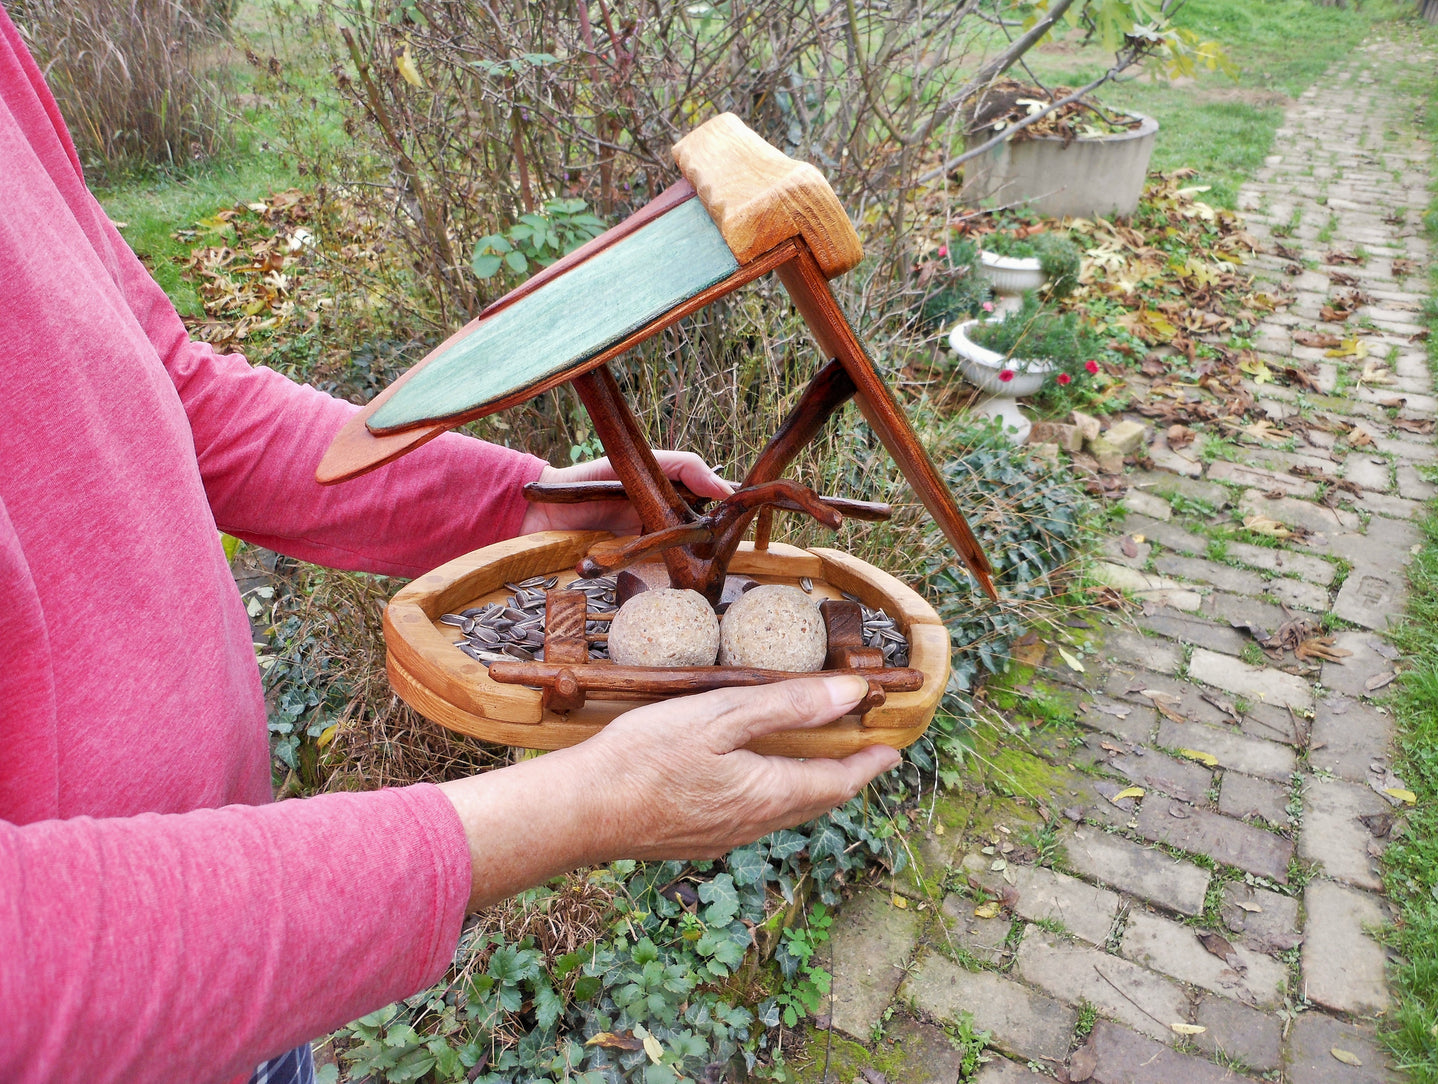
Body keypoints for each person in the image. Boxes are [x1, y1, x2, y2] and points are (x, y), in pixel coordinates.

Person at [0, 6, 899, 1083]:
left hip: (248, 946)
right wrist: (573, 809)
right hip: (122, 1016)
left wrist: (524, 507)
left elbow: (169, 388)